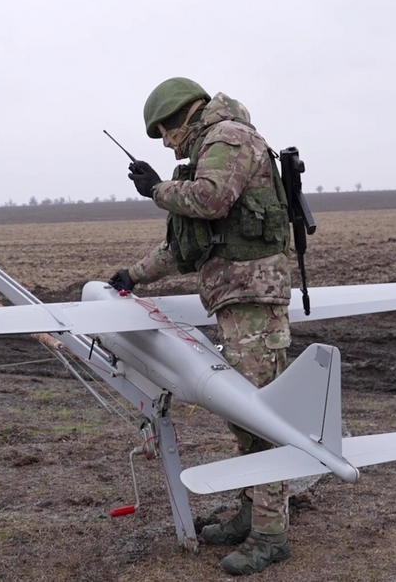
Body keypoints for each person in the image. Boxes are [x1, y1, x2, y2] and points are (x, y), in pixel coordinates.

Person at [108, 77, 292, 575]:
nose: (169, 144)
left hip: (254, 300)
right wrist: (133, 276)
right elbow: (187, 247)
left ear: (185, 115)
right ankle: (253, 514)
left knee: (262, 419)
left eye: (167, 132)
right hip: (238, 301)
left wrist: (156, 190)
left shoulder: (228, 139)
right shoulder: (212, 148)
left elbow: (209, 202)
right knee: (245, 420)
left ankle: (271, 535)